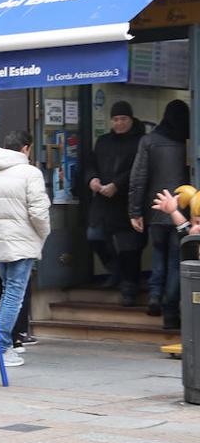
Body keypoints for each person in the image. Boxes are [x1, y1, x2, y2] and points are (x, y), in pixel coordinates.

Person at [0, 132, 51, 367]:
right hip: (23, 242)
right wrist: (43, 233)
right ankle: (1, 347)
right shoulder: (31, 173)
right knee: (13, 296)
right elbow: (39, 213)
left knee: (8, 292)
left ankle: (0, 345)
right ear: (26, 149)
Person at [130, 99, 190, 329]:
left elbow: (138, 178)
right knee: (176, 260)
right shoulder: (188, 142)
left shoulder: (149, 140)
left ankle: (154, 295)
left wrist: (135, 210)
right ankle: (170, 313)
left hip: (155, 208)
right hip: (181, 213)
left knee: (157, 253)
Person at [83, 101, 145, 306]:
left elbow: (139, 169)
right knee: (94, 236)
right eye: (116, 119)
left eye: (123, 119)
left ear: (131, 119)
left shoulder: (140, 141)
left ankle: (129, 287)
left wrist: (117, 185)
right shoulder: (103, 141)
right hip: (102, 201)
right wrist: (92, 179)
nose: (119, 123)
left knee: (129, 247)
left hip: (127, 201)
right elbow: (90, 164)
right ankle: (115, 270)